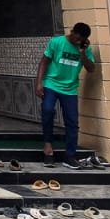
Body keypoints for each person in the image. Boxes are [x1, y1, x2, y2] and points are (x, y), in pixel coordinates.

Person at [35, 23, 97, 166]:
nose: (78, 41)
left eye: (81, 40)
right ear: (72, 32)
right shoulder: (57, 42)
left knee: (72, 121)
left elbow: (91, 69)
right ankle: (48, 147)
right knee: (47, 110)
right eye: (77, 38)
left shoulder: (85, 49)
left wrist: (82, 53)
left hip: (70, 88)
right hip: (51, 83)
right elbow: (43, 62)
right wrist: (39, 83)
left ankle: (70, 156)